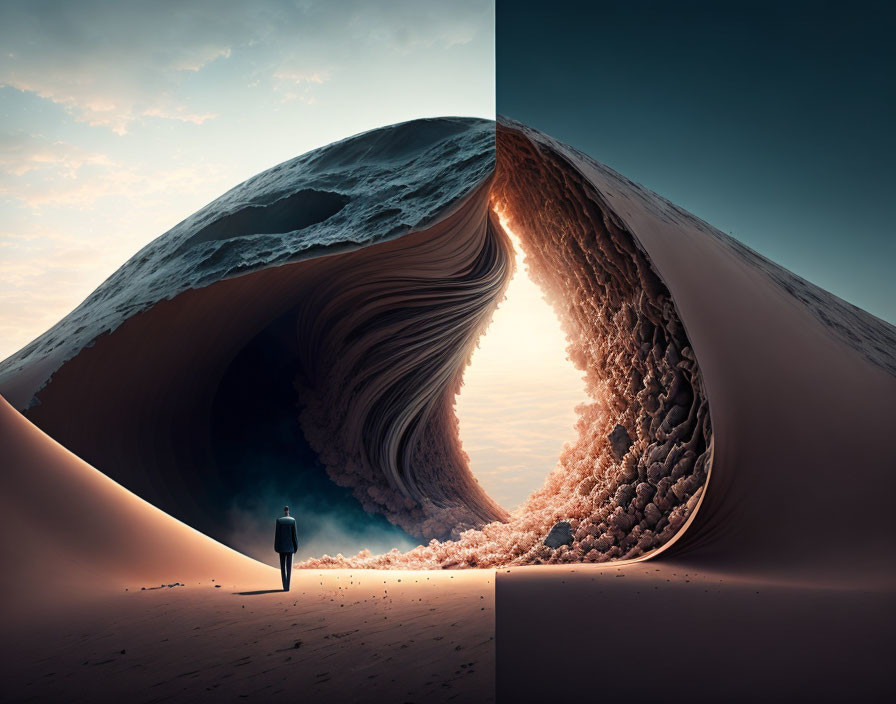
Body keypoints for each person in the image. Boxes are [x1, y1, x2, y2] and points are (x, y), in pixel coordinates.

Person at [274, 506, 299, 591]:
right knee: (289, 568)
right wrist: (296, 547)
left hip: (281, 547)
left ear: (284, 511)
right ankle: (287, 587)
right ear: (289, 511)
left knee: (283, 568)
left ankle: (284, 586)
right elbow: (294, 536)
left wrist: (276, 547)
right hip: (290, 547)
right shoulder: (292, 520)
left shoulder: (279, 521)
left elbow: (277, 536)